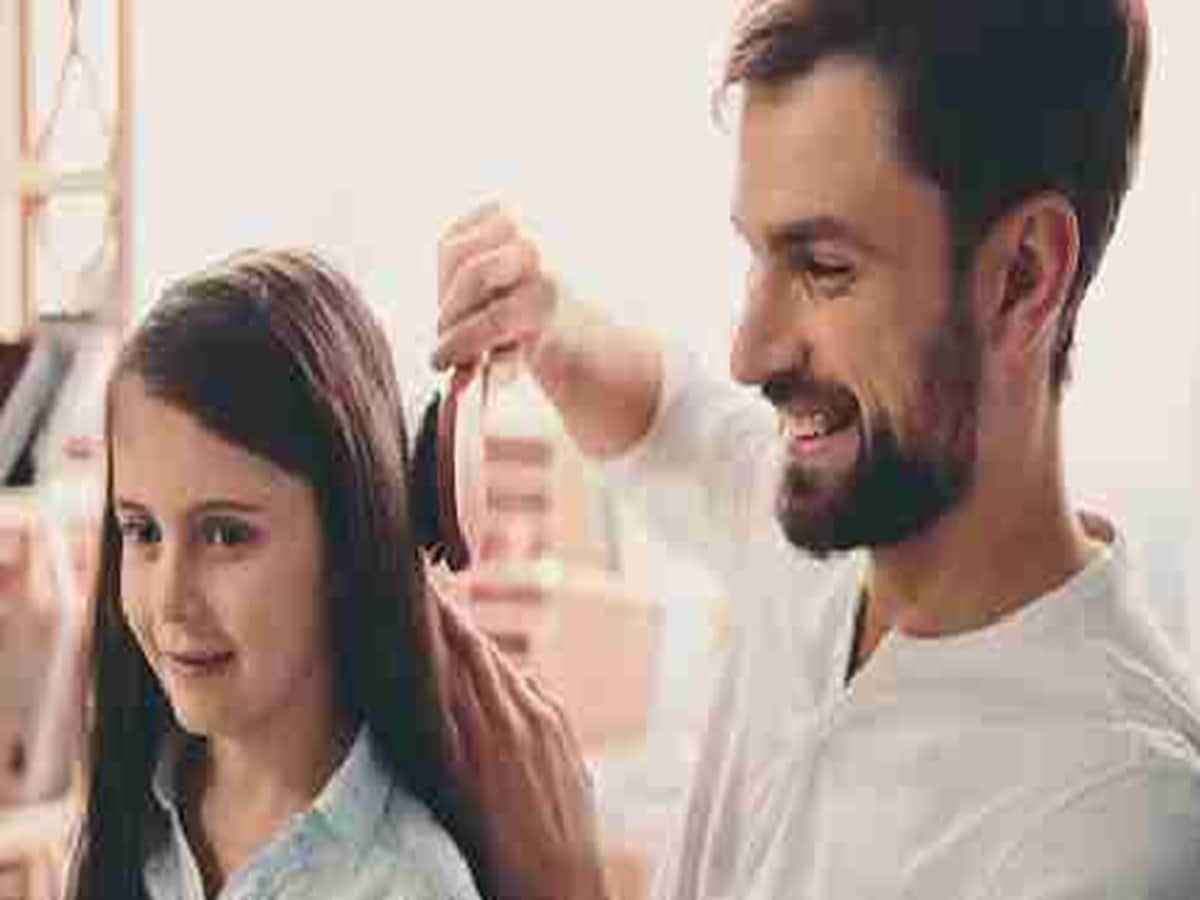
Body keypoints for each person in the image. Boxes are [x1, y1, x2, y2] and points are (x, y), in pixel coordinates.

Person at [434, 0, 1200, 896]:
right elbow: (674, 420)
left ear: (1022, 276)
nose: (749, 352)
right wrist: (542, 317)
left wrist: (557, 883)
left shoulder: (1118, 830)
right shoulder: (835, 521)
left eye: (824, 269)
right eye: (757, 258)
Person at [67, 249, 490, 899]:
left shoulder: (408, 882)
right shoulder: (129, 822)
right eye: (143, 531)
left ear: (348, 541)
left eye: (225, 535)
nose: (170, 599)